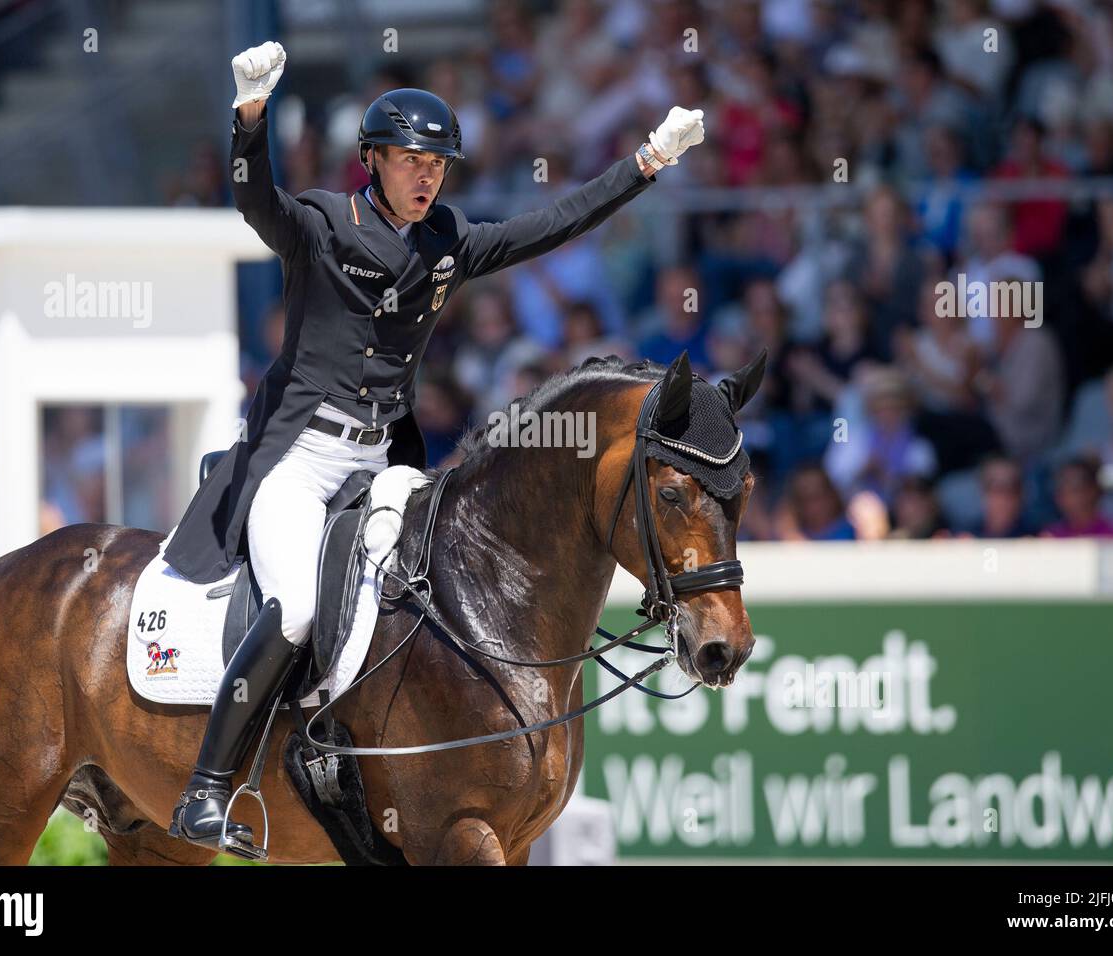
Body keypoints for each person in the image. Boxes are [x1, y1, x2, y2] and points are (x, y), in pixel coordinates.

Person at [163, 40, 706, 855]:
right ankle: (207, 790)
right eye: (413, 161)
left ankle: (363, 763)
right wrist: (250, 119)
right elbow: (254, 205)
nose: (428, 178)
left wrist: (649, 158)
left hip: (383, 463)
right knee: (302, 608)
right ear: (374, 160)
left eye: (439, 165)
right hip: (300, 459)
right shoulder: (321, 223)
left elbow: (548, 225)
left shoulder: (445, 242)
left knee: (424, 596)